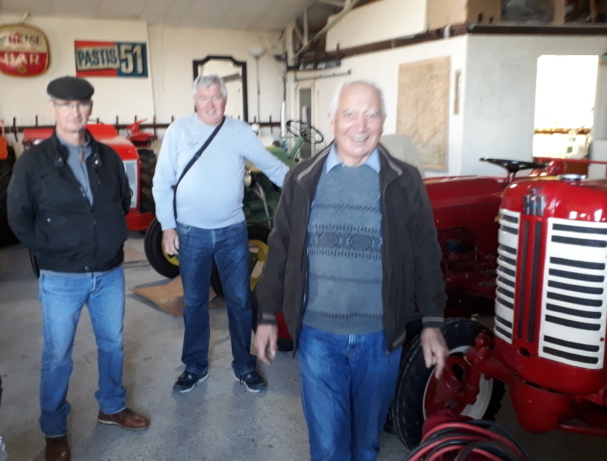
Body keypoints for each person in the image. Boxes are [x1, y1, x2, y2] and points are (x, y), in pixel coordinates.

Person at [254, 80, 449, 460]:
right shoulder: (303, 179)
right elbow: (279, 250)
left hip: (380, 337)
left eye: (371, 115)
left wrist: (432, 323)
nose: (360, 126)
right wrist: (265, 316)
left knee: (366, 445)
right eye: (350, 114)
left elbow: (426, 253)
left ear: (383, 121)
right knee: (329, 447)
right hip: (318, 335)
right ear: (332, 120)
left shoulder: (404, 180)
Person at [8, 76, 149, 461]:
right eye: (66, 104)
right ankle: (54, 430)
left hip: (109, 272)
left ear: (90, 107)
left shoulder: (108, 157)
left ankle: (112, 407)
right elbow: (18, 216)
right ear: (52, 107)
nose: (75, 111)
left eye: (81, 104)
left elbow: (122, 200)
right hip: (61, 277)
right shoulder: (33, 162)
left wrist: (107, 239)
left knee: (113, 343)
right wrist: (52, 250)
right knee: (58, 354)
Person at [152, 74, 289, 393]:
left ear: (225, 100)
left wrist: (306, 186)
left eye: (216, 97)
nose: (210, 104)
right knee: (194, 302)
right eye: (203, 97)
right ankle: (195, 366)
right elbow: (162, 182)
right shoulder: (178, 131)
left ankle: (244, 366)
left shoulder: (239, 131)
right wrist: (167, 225)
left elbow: (273, 166)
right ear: (195, 101)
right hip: (191, 232)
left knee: (240, 300)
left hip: (232, 232)